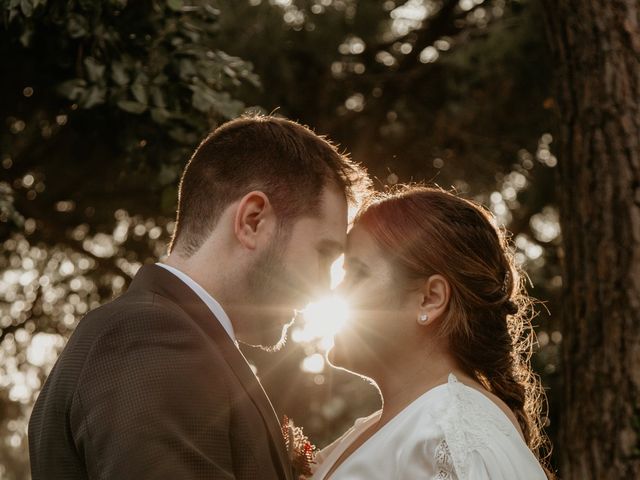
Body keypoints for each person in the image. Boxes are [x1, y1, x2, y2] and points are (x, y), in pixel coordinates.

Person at [28, 115, 369, 480]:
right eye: (324, 254)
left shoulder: (176, 340)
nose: (324, 287)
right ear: (253, 221)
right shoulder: (149, 339)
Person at [311, 185, 552, 480]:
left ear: (430, 298)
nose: (336, 290)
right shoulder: (382, 427)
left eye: (358, 273)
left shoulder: (451, 434)